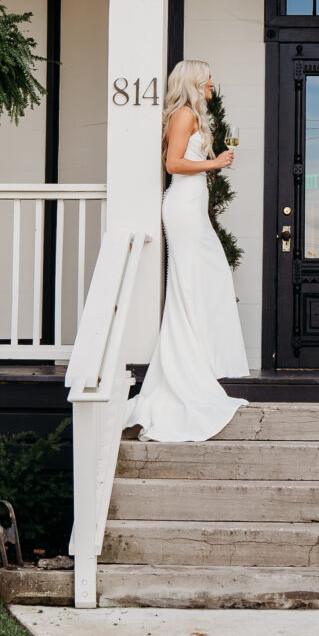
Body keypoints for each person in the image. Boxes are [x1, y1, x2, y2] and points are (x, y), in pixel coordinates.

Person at [125, 59, 249, 441]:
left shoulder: (191, 115)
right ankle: (185, 374)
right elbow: (174, 163)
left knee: (201, 284)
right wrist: (215, 162)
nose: (213, 82)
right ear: (195, 82)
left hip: (193, 208)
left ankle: (193, 362)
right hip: (182, 207)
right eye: (207, 77)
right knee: (187, 287)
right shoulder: (183, 115)